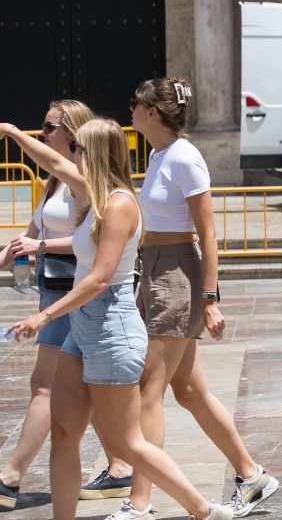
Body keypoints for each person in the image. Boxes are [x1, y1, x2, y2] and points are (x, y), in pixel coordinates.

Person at [0, 118, 236, 520]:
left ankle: (202, 510)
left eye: (76, 148)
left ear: (93, 152)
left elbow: (100, 277)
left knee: (127, 443)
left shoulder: (119, 203)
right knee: (64, 433)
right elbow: (52, 164)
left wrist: (43, 316)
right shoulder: (93, 193)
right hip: (83, 329)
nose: (69, 154)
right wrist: (11, 133)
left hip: (112, 327)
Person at [116, 78, 279, 519]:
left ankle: (139, 503)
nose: (129, 110)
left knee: (147, 390)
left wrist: (209, 297)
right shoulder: (156, 155)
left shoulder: (186, 157)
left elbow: (207, 232)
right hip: (157, 268)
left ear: (153, 112)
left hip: (177, 272)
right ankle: (251, 474)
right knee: (189, 391)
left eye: (135, 104)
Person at [0, 101, 94, 509]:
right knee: (95, 387)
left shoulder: (83, 178)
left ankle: (10, 477)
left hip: (75, 290)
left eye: (49, 126)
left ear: (73, 132)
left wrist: (14, 133)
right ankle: (126, 465)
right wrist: (11, 253)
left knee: (44, 385)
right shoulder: (52, 182)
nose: (43, 132)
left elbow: (89, 241)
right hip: (50, 284)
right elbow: (33, 230)